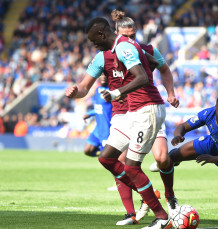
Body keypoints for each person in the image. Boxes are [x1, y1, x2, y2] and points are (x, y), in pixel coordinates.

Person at [66, 17, 172, 229]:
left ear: (102, 35)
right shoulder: (106, 55)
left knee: (133, 166)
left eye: (93, 40)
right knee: (106, 158)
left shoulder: (124, 47)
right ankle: (148, 194)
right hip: (131, 112)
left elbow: (142, 77)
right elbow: (85, 87)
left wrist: (116, 93)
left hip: (147, 109)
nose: (93, 44)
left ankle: (162, 216)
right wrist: (76, 92)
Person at [110, 9, 179, 225]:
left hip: (149, 110)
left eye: (133, 35)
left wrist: (171, 93)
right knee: (120, 162)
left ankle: (169, 196)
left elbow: (165, 70)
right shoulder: (114, 53)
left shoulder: (146, 49)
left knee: (161, 158)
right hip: (131, 114)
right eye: (126, 35)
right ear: (117, 33)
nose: (130, 39)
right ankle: (147, 199)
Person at [154, 94, 218, 192]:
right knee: (174, 155)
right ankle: (167, 162)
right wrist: (178, 135)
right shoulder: (208, 113)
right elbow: (183, 126)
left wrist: (217, 158)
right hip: (213, 144)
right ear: (215, 107)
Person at [83, 75, 112, 157]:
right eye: (101, 74)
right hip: (98, 128)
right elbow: (99, 107)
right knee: (87, 151)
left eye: (105, 74)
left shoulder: (111, 91)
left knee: (106, 158)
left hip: (107, 129)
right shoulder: (97, 90)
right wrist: (89, 114)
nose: (103, 77)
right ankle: (102, 153)